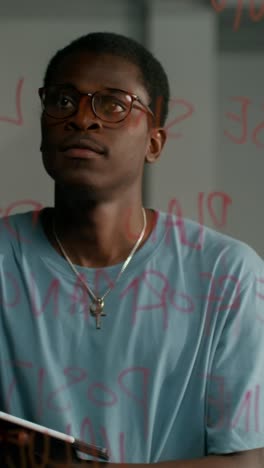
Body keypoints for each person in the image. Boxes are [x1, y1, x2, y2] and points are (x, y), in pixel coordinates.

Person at [0, 31, 264, 467]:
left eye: (114, 104)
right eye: (63, 101)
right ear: (44, 133)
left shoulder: (227, 273)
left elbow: (245, 462)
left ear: (154, 143)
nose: (82, 119)